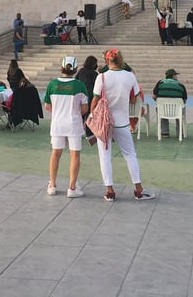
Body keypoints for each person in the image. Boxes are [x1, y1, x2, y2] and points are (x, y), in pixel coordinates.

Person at [91, 48, 155, 202]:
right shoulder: (130, 76)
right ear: (121, 60)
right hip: (122, 122)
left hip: (105, 123)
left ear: (107, 61)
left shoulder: (102, 77)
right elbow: (134, 99)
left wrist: (93, 116)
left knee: (104, 157)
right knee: (130, 154)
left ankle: (110, 191)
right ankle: (138, 189)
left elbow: (95, 99)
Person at [44, 56, 89, 198]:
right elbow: (84, 108)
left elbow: (47, 106)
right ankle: (72, 187)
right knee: (75, 155)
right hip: (73, 123)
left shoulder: (52, 84)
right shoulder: (79, 85)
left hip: (57, 123)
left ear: (61, 67)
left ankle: (52, 185)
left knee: (55, 153)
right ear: (75, 69)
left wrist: (58, 110)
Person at [153, 69, 188, 137]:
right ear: (173, 76)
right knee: (180, 108)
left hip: (163, 110)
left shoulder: (160, 83)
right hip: (177, 110)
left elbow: (154, 96)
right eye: (176, 75)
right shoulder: (180, 85)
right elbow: (184, 101)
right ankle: (180, 133)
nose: (177, 77)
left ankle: (164, 132)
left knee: (161, 107)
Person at [76, 55, 99, 146]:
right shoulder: (94, 74)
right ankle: (89, 134)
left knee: (80, 115)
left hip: (81, 95)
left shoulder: (81, 71)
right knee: (90, 115)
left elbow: (76, 80)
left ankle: (78, 132)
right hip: (90, 95)